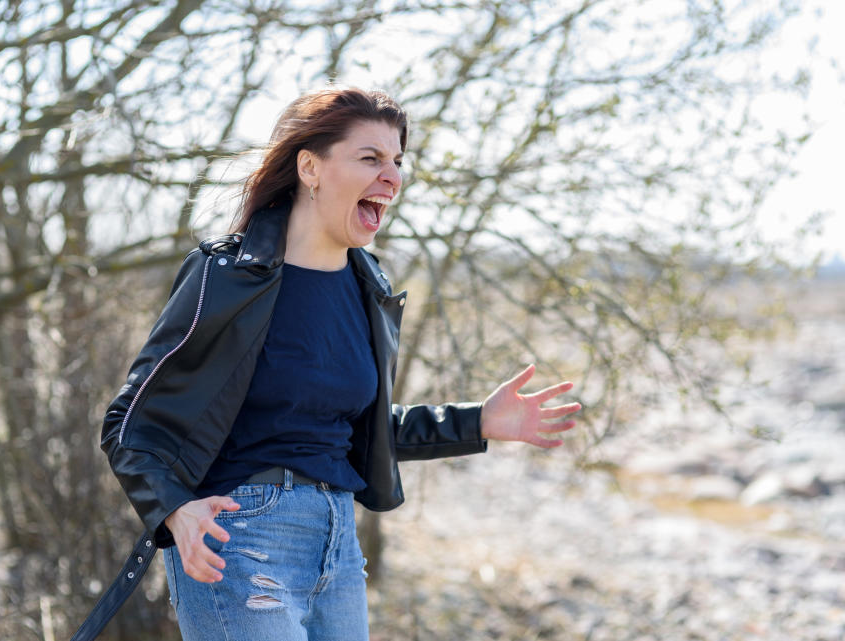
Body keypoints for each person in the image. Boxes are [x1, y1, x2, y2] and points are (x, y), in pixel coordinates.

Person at [99, 87, 581, 641]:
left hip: (340, 548)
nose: (392, 176)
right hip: (240, 539)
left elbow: (357, 430)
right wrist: (175, 511)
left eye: (397, 161)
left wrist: (476, 422)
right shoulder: (227, 277)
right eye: (370, 158)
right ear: (310, 167)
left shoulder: (367, 286)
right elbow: (130, 424)